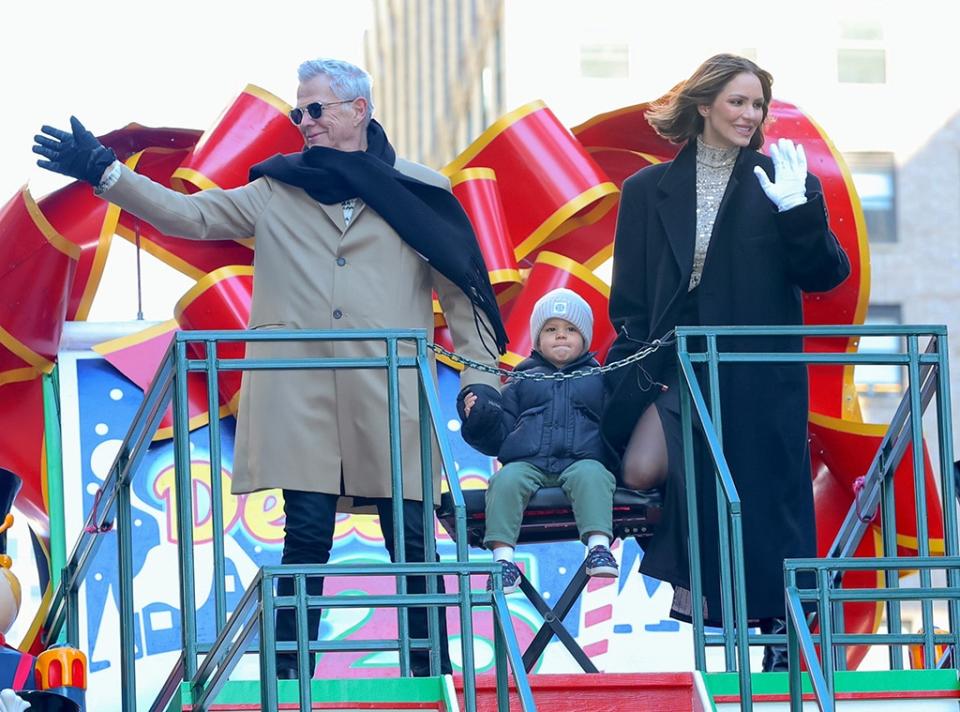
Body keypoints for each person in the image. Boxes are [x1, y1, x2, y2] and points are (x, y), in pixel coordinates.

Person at [33, 58, 509, 679]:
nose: (304, 122)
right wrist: (106, 173)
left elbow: (464, 295)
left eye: (316, 110)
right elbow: (193, 217)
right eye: (298, 112)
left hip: (390, 393)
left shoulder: (422, 191)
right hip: (299, 392)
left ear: (359, 109)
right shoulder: (280, 187)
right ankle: (289, 682)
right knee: (305, 537)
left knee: (412, 543)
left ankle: (430, 681)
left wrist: (478, 382)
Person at [601, 54, 850, 671]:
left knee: (765, 504)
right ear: (704, 105)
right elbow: (628, 299)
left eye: (757, 104)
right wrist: (636, 358)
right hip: (677, 368)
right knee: (641, 469)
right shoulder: (643, 190)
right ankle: (716, 601)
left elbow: (825, 273)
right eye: (738, 101)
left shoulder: (781, 179)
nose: (750, 114)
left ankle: (780, 629)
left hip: (756, 376)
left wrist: (798, 211)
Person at [457, 288, 618, 593]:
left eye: (570, 329)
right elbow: (499, 428)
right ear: (537, 339)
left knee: (595, 475)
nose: (560, 336)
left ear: (585, 339)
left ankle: (598, 546)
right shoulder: (522, 379)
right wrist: (478, 417)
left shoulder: (599, 377)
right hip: (528, 462)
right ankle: (503, 559)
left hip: (579, 460)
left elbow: (616, 423)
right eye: (551, 330)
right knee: (505, 480)